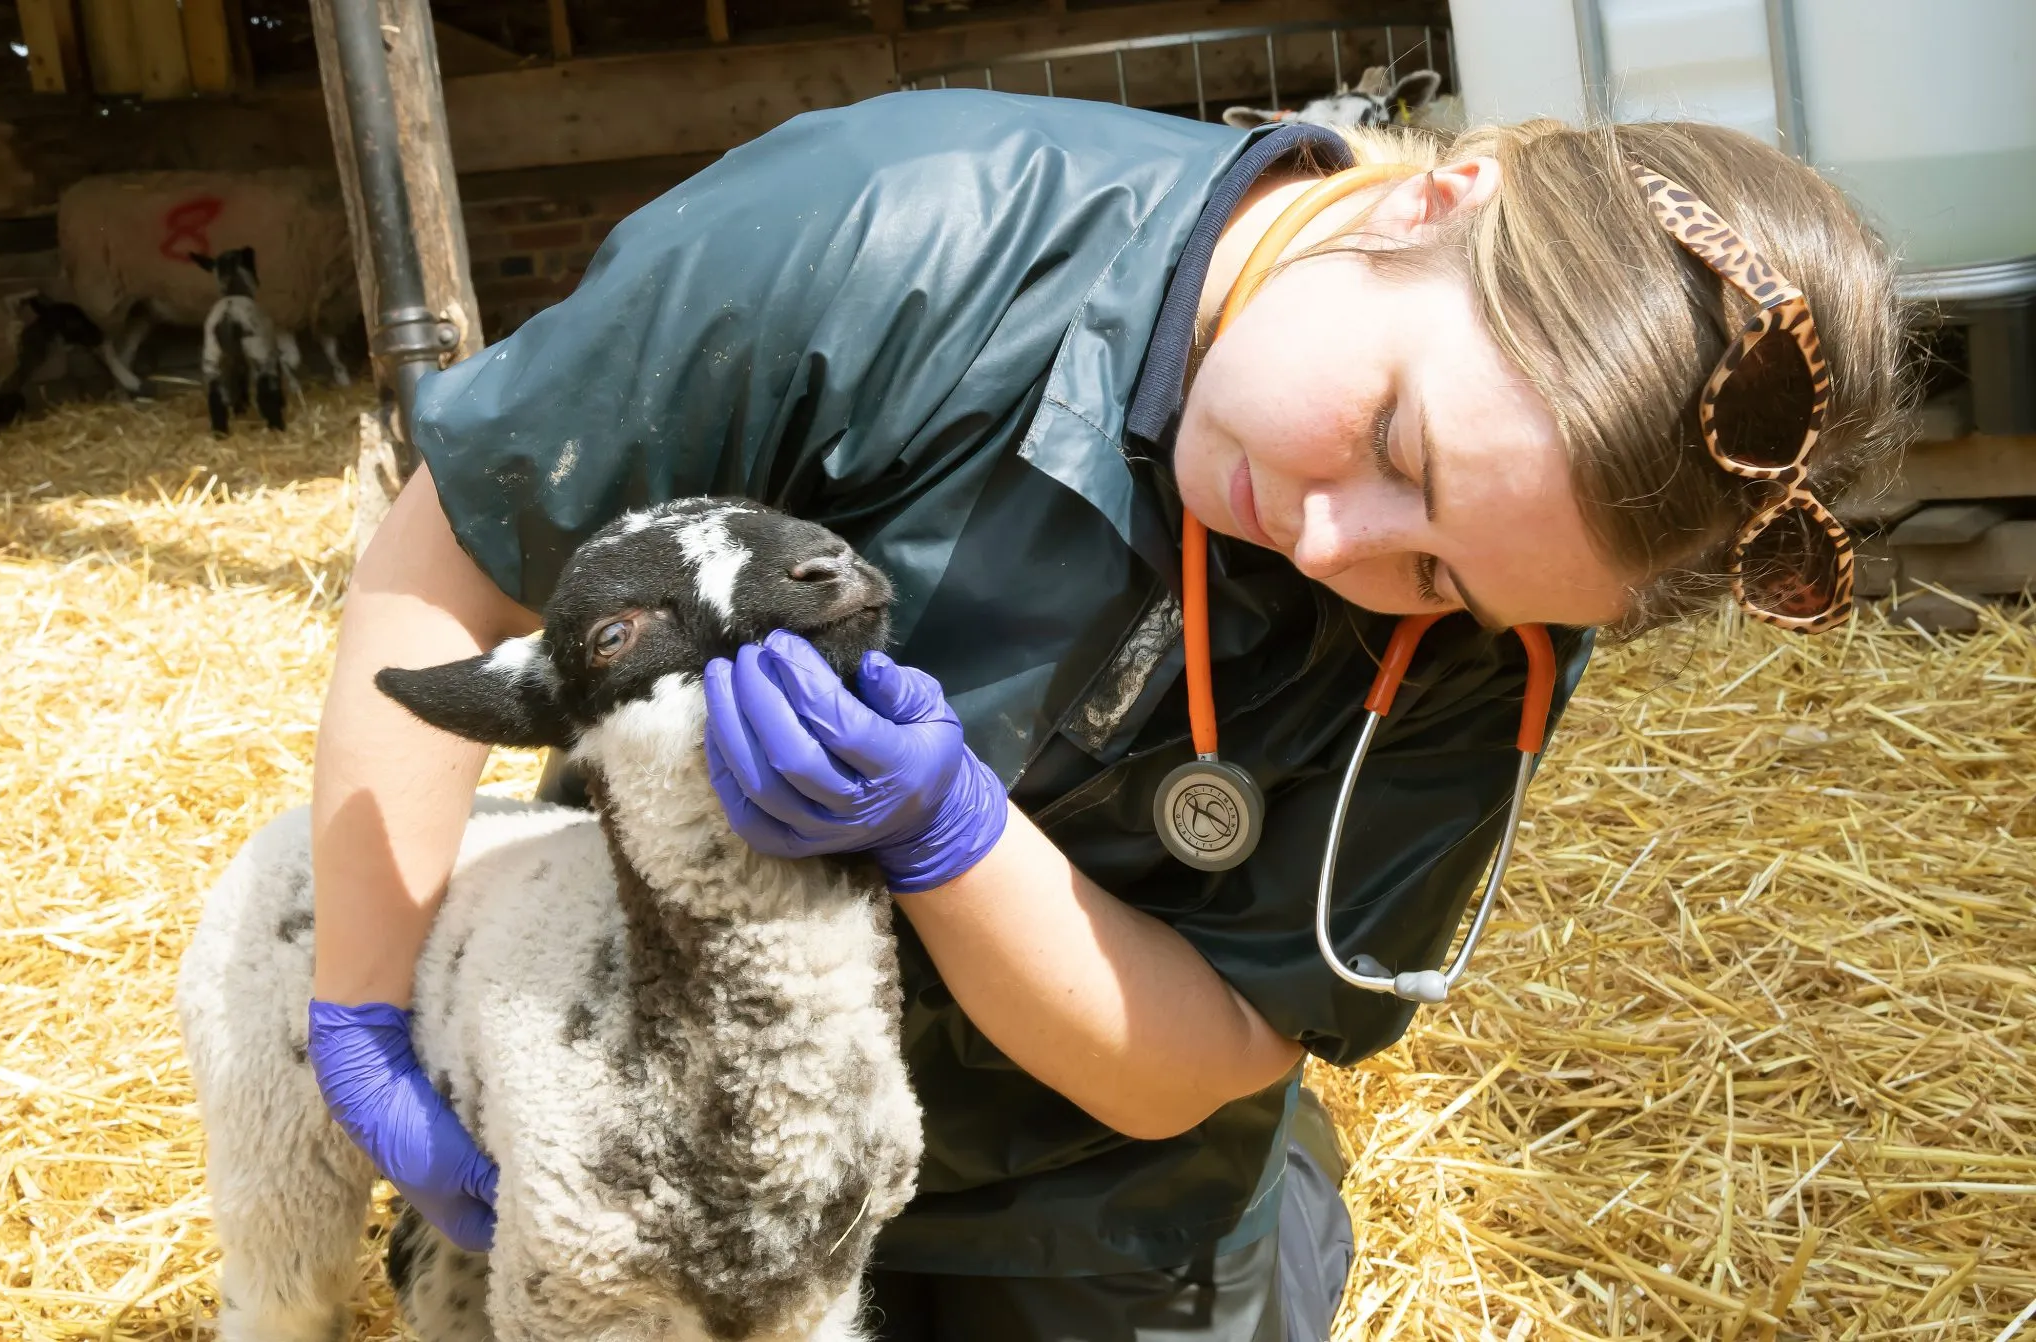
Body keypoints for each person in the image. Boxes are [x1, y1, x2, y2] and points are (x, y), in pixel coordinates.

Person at [304, 90, 1911, 1339]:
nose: (1343, 543)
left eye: (1442, 577)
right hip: (679, 1051)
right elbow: (460, 553)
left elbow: (1191, 1053)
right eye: (1398, 442)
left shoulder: (1513, 645)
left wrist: (945, 829)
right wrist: (368, 1017)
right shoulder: (891, 228)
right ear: (1441, 193)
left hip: (1085, 1167)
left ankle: (1276, 1223)